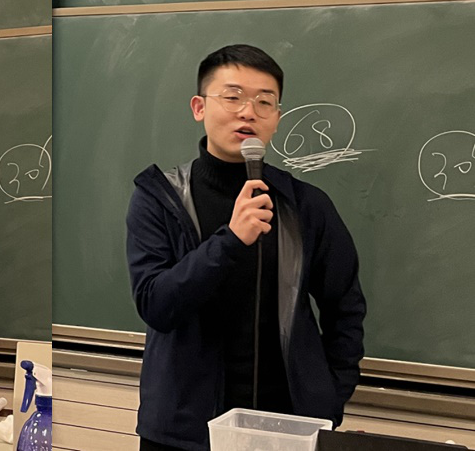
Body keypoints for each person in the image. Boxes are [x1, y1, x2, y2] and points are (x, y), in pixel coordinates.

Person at [125, 44, 367, 450]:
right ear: (199, 107)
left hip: (284, 429)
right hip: (182, 431)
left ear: (277, 119)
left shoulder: (304, 205)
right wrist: (231, 240)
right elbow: (156, 305)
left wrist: (327, 398)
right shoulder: (159, 198)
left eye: (264, 102)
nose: (248, 112)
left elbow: (345, 307)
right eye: (233, 97)